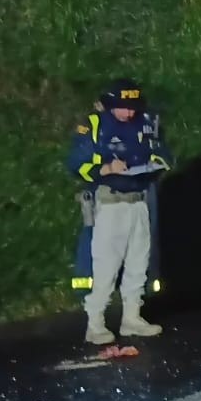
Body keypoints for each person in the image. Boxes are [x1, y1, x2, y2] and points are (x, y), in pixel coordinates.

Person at [66, 79, 173, 344]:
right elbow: (76, 163)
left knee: (139, 262)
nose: (129, 113)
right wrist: (105, 169)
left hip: (139, 200)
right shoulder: (95, 124)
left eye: (132, 107)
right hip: (110, 203)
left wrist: (158, 162)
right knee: (106, 265)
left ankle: (132, 318)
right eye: (124, 108)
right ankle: (95, 323)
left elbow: (162, 151)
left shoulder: (145, 121)